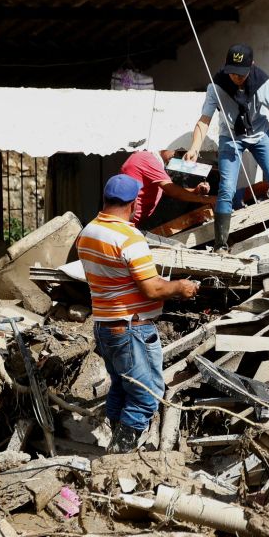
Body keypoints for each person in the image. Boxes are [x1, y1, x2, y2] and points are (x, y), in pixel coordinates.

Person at [76, 173, 200, 452]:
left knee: (121, 387)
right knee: (146, 395)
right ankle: (120, 454)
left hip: (106, 326)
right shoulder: (129, 238)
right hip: (132, 328)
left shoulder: (87, 232)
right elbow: (153, 290)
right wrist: (181, 287)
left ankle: (111, 447)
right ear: (133, 203)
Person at [183, 42, 269, 253]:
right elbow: (204, 120)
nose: (236, 77)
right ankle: (221, 244)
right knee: (226, 188)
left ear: (252, 66)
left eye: (241, 73)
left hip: (259, 134)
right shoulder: (216, 85)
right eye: (233, 73)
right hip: (230, 138)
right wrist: (194, 148)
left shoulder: (262, 82)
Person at [119, 148, 216, 228]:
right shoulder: (147, 159)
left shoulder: (149, 159)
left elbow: (165, 190)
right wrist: (205, 199)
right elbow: (172, 190)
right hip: (124, 221)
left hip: (129, 220)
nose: (174, 154)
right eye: (174, 149)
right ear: (163, 147)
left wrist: (195, 191)